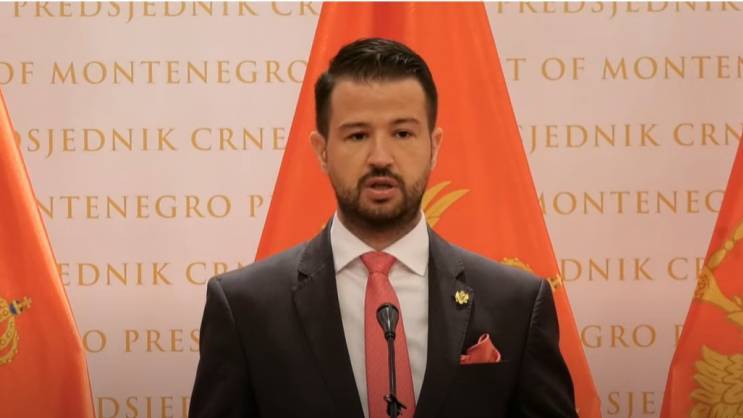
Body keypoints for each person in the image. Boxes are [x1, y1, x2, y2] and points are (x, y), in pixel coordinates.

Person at [189, 38, 577, 418]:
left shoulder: (517, 304)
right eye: (357, 135)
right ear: (322, 151)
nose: (380, 157)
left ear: (434, 146)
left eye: (402, 134)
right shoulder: (245, 308)